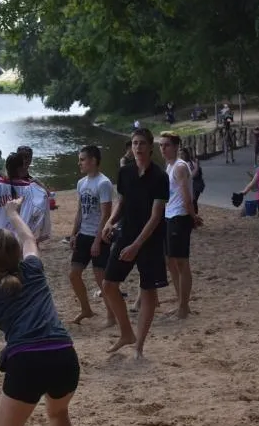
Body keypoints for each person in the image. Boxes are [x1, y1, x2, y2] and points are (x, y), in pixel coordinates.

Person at [0, 198, 79, 426]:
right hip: (64, 355)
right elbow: (29, 238)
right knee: (58, 415)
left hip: (27, 361)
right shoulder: (34, 270)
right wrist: (12, 213)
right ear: (18, 252)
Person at [101, 128, 169, 358]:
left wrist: (137, 245)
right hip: (126, 233)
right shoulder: (125, 172)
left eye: (141, 143)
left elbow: (156, 216)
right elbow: (121, 203)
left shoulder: (160, 177)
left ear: (151, 147)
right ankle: (126, 333)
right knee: (109, 285)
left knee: (148, 291)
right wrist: (110, 222)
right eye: (134, 143)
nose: (137, 147)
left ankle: (139, 345)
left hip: (150, 239)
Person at [68, 145, 115, 326]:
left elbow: (106, 214)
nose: (79, 162)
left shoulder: (103, 183)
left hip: (99, 236)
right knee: (73, 274)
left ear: (93, 160)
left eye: (82, 159)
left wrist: (98, 240)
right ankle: (86, 309)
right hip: (83, 235)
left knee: (101, 279)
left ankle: (111, 316)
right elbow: (80, 210)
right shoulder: (81, 183)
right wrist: (73, 234)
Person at [159, 132, 202, 319]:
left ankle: (184, 307)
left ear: (176, 147)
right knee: (171, 261)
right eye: (161, 145)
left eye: (166, 145)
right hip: (170, 216)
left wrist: (193, 216)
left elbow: (186, 196)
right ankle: (181, 303)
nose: (163, 148)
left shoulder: (180, 166)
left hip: (179, 216)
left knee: (181, 262)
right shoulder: (169, 167)